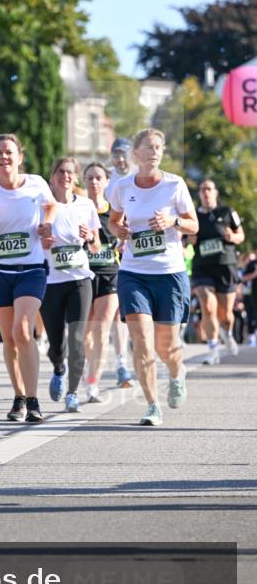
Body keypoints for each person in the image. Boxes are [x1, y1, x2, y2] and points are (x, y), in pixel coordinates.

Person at [109, 128, 198, 427]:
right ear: (136, 153)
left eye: (159, 146)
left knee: (166, 347)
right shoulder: (122, 187)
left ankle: (176, 372)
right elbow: (113, 220)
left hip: (169, 274)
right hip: (134, 273)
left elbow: (193, 225)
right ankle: (152, 405)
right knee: (142, 342)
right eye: (148, 147)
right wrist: (118, 230)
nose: (155, 151)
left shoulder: (175, 184)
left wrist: (173, 221)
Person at [0, 134, 56, 424]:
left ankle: (33, 400)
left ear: (20, 157)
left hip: (31, 268)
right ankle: (18, 396)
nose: (4, 158)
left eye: (9, 152)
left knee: (22, 331)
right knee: (9, 338)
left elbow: (51, 205)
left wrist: (47, 225)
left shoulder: (36, 183)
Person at [40, 157, 101, 413]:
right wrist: (43, 239)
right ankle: (58, 368)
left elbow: (97, 246)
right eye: (60, 172)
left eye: (70, 173)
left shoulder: (86, 205)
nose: (65, 176)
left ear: (75, 178)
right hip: (51, 281)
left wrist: (90, 238)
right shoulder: (44, 205)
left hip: (79, 279)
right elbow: (35, 239)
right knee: (56, 344)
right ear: (53, 177)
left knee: (77, 338)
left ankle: (73, 393)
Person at [189, 178, 245, 364]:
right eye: (202, 189)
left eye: (209, 189)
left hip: (226, 266)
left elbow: (241, 235)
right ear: (199, 194)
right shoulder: (194, 216)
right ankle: (213, 349)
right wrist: (190, 239)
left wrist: (232, 236)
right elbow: (187, 240)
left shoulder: (227, 212)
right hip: (202, 268)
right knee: (208, 305)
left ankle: (227, 333)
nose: (206, 192)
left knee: (226, 314)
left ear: (215, 192)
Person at [82, 162, 123, 400]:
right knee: (85, 334)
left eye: (98, 178)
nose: (94, 182)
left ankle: (93, 382)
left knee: (102, 328)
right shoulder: (77, 209)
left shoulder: (115, 212)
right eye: (89, 178)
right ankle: (91, 369)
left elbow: (128, 232)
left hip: (110, 273)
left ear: (107, 182)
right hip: (83, 275)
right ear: (84, 181)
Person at [106, 137, 136, 384]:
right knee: (115, 311)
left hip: (135, 247)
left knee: (128, 309)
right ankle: (121, 364)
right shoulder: (105, 177)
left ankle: (137, 343)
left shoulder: (139, 176)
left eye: (123, 154)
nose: (120, 159)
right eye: (116, 154)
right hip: (109, 246)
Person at [239, 250, 257, 347]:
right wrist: (254, 275)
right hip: (251, 295)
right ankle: (252, 338)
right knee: (251, 316)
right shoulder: (252, 264)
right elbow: (243, 278)